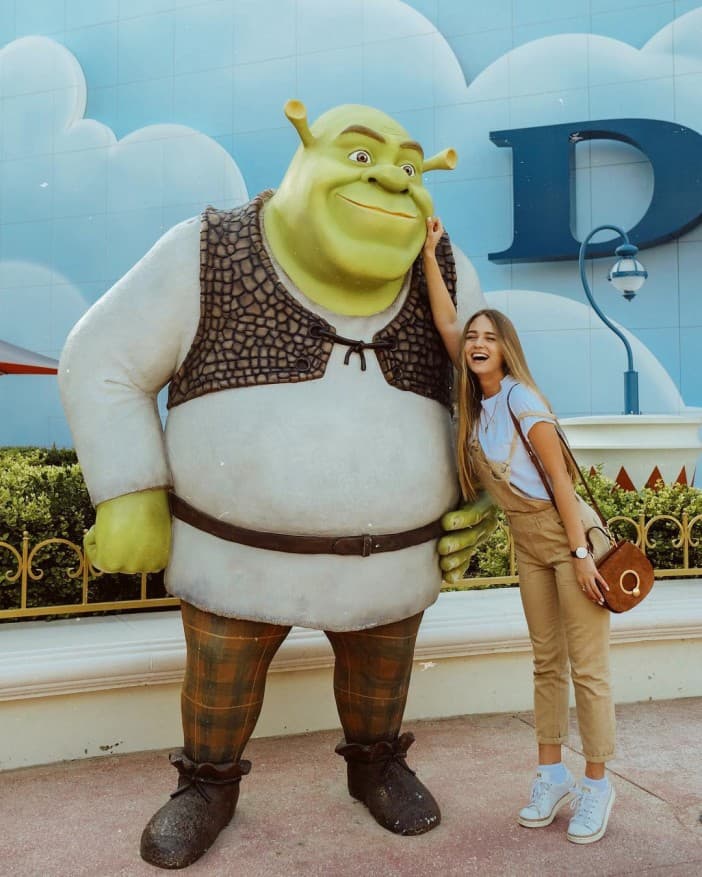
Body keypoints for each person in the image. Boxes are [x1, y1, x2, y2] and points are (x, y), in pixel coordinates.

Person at [58, 101, 492, 869]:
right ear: (304, 151)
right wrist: (129, 489)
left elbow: (489, 385)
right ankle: (207, 784)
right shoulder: (209, 250)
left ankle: (377, 763)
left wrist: (482, 488)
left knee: (381, 673)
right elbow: (102, 357)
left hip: (392, 562)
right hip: (236, 559)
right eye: (363, 157)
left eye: (410, 164)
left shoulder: (444, 268)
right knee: (219, 679)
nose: (393, 175)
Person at [423, 217, 617, 845]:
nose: (476, 342)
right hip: (528, 543)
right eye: (474, 337)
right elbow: (447, 324)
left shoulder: (522, 402)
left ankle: (596, 785)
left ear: (507, 350)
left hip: (568, 539)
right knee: (544, 663)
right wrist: (430, 254)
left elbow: (561, 485)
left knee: (586, 668)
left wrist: (583, 555)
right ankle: (550, 774)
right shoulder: (476, 407)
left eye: (489, 337)